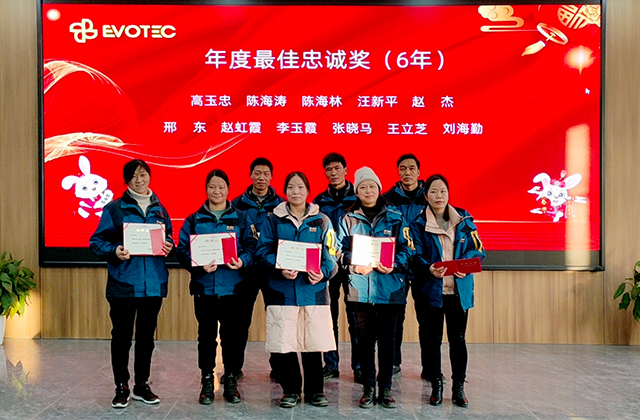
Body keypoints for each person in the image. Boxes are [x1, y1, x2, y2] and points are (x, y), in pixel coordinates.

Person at [89, 159, 174, 409]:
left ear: (149, 176)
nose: (139, 180)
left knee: (146, 338)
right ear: (127, 180)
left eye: (143, 174)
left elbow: (169, 236)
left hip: (153, 284)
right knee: (122, 337)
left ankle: (141, 385)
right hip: (123, 283)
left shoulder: (160, 209)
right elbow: (96, 242)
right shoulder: (114, 208)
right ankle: (121, 387)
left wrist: (169, 245)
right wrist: (115, 250)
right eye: (134, 176)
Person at [256, 171, 338, 408]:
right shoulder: (273, 220)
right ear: (285, 191)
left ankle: (315, 391)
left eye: (301, 187)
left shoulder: (322, 220)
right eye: (291, 187)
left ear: (308, 191)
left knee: (313, 343)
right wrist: (279, 267)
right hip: (282, 291)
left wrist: (323, 272)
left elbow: (332, 252)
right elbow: (262, 250)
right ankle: (290, 390)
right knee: (286, 343)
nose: (296, 192)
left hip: (313, 291)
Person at [175, 169, 258, 405]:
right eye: (212, 186)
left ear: (228, 190)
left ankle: (231, 379)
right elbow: (182, 251)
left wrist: (242, 261)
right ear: (206, 189)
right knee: (206, 337)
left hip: (234, 289)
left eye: (221, 187)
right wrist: (198, 266)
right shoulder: (194, 219)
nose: (217, 191)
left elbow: (252, 247)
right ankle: (207, 380)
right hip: (205, 289)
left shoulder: (241, 218)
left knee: (232, 337)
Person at [337, 167, 415, 409]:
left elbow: (409, 249)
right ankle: (368, 388)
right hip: (360, 290)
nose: (368, 190)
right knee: (365, 341)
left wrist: (394, 265)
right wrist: (353, 264)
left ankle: (386, 389)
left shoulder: (396, 217)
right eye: (363, 187)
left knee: (388, 340)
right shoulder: (348, 219)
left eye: (372, 186)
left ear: (379, 189)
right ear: (357, 192)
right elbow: (336, 251)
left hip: (390, 289)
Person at [410, 174, 486, 407]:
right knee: (432, 342)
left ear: (449, 194)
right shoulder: (417, 223)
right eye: (433, 191)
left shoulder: (464, 219)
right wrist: (428, 268)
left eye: (443, 191)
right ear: (426, 196)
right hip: (430, 292)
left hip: (457, 292)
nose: (439, 196)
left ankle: (458, 388)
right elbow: (414, 255)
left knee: (458, 340)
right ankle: (436, 386)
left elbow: (478, 249)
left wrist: (464, 264)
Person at [231, 157, 283, 379]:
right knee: (239, 321)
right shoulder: (236, 204)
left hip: (274, 271)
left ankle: (279, 368)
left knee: (277, 319)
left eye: (266, 173)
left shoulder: (281, 205)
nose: (261, 177)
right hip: (246, 271)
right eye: (257, 173)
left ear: (271, 177)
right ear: (250, 175)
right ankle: (234, 368)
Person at [312, 152, 360, 382]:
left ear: (346, 170)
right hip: (328, 266)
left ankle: (359, 366)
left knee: (356, 318)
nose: (333, 173)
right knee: (329, 317)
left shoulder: (358, 198)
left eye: (337, 168)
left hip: (353, 264)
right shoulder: (319, 201)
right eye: (328, 169)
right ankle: (331, 364)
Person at [382, 153, 427, 376]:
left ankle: (429, 367)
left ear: (419, 172)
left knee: (426, 320)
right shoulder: (387, 199)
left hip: (424, 268)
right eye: (402, 168)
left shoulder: (430, 197)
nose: (407, 172)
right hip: (396, 267)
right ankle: (393, 362)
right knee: (395, 319)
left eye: (411, 168)